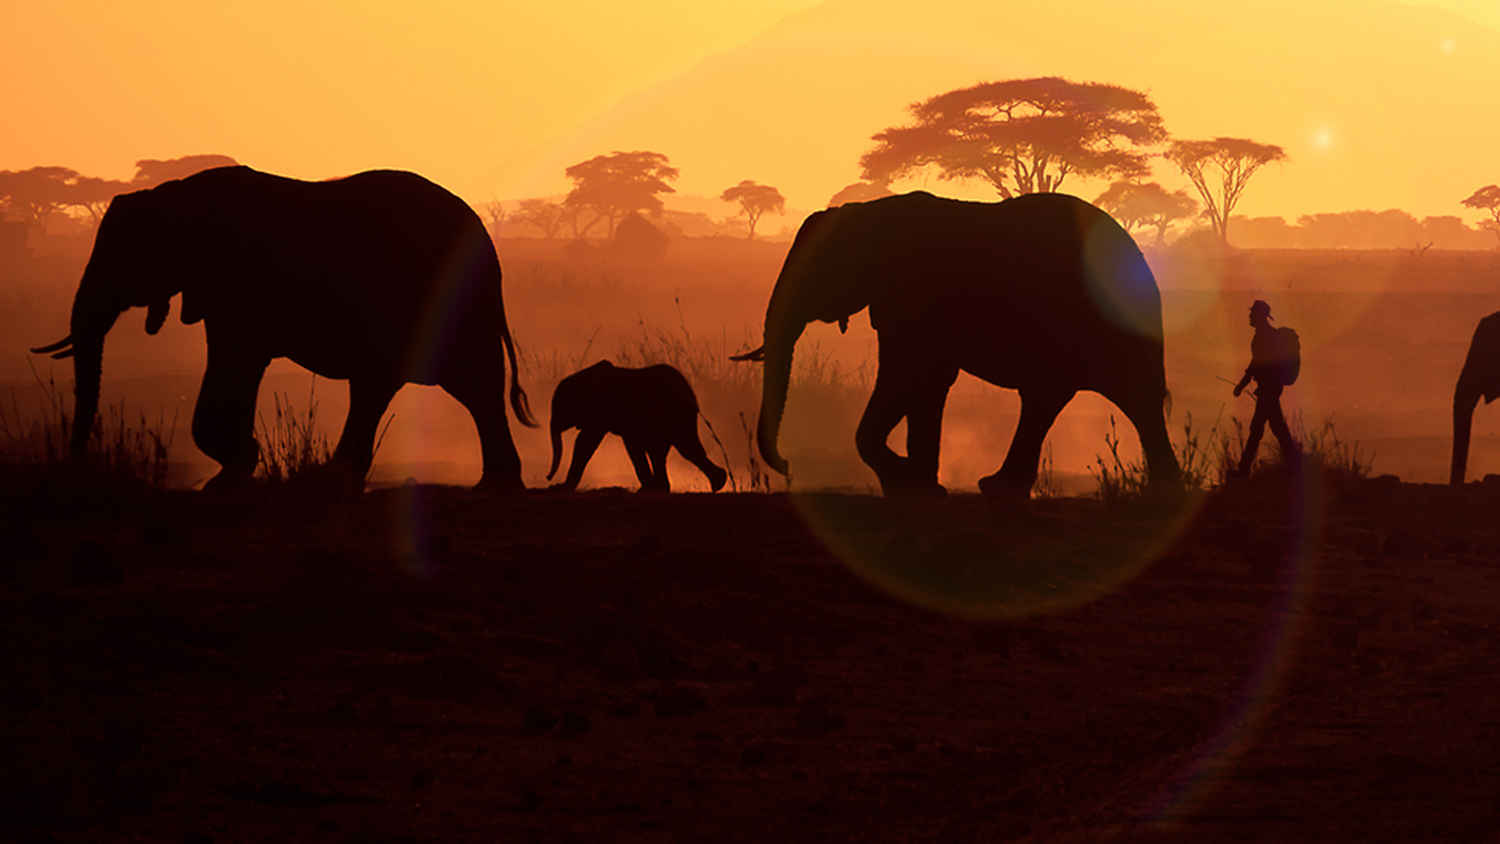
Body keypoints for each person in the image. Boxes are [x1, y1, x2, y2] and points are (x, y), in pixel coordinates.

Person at [1232, 299, 1300, 476]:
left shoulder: (1263, 337)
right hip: (1270, 388)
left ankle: (1243, 471)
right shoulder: (1265, 335)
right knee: (1276, 428)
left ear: (1259, 316)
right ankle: (1295, 465)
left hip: (1268, 389)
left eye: (1252, 313)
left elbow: (1256, 364)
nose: (1249, 317)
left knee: (1258, 429)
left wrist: (1241, 384)